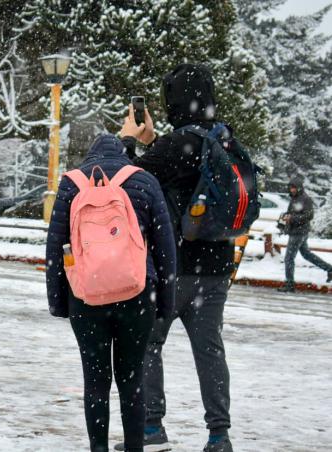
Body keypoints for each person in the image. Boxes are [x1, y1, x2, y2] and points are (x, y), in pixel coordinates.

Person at [118, 63, 238, 452]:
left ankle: (152, 428)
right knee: (210, 350)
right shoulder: (225, 141)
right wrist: (157, 142)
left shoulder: (176, 146)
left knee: (148, 344)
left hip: (174, 267)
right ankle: (219, 434)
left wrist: (128, 141)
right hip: (217, 268)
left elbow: (128, 180)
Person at [46, 134, 176, 452]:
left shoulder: (71, 184)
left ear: (90, 156)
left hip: (86, 298)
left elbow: (55, 247)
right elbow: (166, 248)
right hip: (137, 295)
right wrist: (165, 304)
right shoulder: (144, 181)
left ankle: (98, 449)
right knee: (132, 381)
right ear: (125, 155)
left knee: (96, 383)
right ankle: (135, 448)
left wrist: (59, 303)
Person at [277, 176, 332, 292]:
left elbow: (309, 215)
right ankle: (329, 269)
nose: (292, 190)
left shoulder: (305, 199)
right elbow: (292, 213)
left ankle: (290, 284)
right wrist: (284, 217)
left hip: (299, 232)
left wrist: (291, 218)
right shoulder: (295, 198)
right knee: (306, 254)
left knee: (288, 258)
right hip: (297, 231)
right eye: (290, 188)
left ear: (299, 188)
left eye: (294, 188)